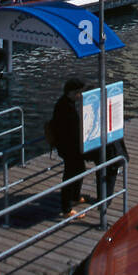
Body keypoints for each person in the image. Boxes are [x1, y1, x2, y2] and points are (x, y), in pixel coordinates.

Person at [51, 78, 88, 218]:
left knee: (79, 169)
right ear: (71, 92)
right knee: (71, 174)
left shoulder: (67, 103)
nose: (80, 96)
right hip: (69, 147)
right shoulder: (65, 107)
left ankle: (75, 196)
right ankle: (67, 208)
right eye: (78, 93)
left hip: (72, 145)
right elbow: (69, 129)